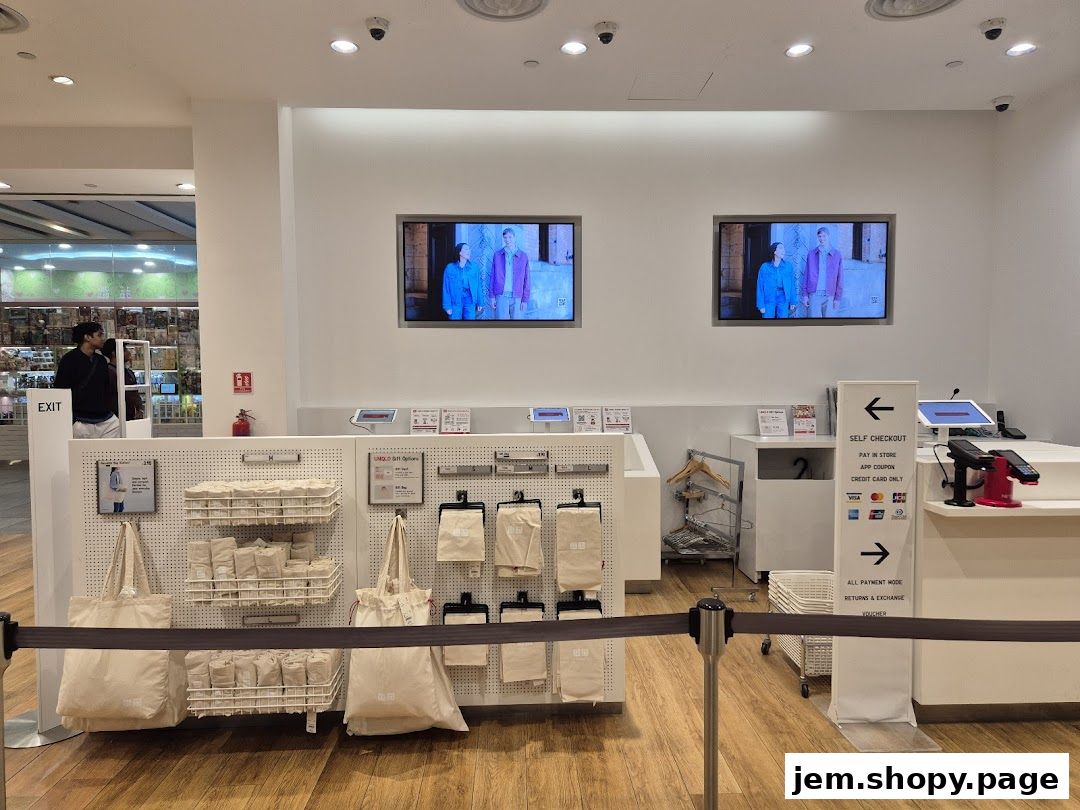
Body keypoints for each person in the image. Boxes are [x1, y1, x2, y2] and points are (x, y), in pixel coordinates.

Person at [54, 322, 120, 438]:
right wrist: (72, 420)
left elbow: (106, 389)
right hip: (80, 420)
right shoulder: (69, 360)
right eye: (99, 335)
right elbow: (60, 390)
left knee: (110, 453)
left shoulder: (101, 361)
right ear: (87, 337)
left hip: (105, 419)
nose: (102, 339)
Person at [488, 227, 531, 320]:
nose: (507, 240)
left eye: (510, 237)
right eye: (505, 238)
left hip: (517, 296)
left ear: (515, 238)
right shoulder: (497, 255)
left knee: (517, 327)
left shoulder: (523, 256)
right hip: (501, 295)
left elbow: (527, 279)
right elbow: (492, 276)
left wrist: (525, 300)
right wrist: (492, 296)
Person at [802, 226, 844, 317]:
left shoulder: (837, 254)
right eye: (820, 236)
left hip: (830, 295)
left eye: (824, 236)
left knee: (829, 326)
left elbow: (840, 278)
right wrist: (805, 295)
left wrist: (837, 298)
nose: (822, 238)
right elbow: (806, 275)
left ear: (829, 236)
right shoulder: (811, 254)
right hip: (814, 294)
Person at [102, 338, 145, 420]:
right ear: (114, 353)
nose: (128, 353)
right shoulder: (107, 372)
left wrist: (140, 409)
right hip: (114, 419)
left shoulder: (129, 372)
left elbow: (135, 393)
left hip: (130, 417)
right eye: (124, 350)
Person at [755, 242, 797, 319]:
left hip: (783, 297)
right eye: (780, 248)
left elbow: (792, 285)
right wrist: (760, 305)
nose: (783, 250)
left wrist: (793, 301)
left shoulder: (788, 266)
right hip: (769, 296)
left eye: (784, 248)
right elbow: (760, 286)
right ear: (774, 251)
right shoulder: (765, 267)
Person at [442, 242, 482, 320]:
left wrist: (480, 301)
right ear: (459, 252)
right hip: (455, 299)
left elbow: (478, 286)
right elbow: (446, 288)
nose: (469, 251)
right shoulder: (450, 268)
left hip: (470, 299)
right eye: (466, 249)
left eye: (469, 249)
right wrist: (447, 306)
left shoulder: (474, 267)